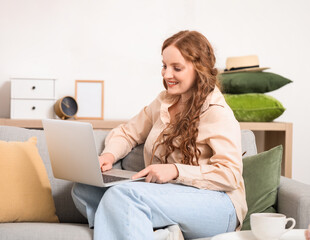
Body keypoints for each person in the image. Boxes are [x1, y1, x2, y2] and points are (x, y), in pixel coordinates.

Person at [71, 30, 247, 239]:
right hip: (169, 196)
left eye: (176, 68)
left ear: (199, 69)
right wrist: (108, 156)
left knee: (123, 197)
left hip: (217, 203)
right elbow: (128, 132)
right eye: (164, 66)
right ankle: (161, 232)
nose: (166, 75)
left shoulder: (217, 111)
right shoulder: (164, 101)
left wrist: (175, 170)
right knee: (83, 189)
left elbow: (230, 174)